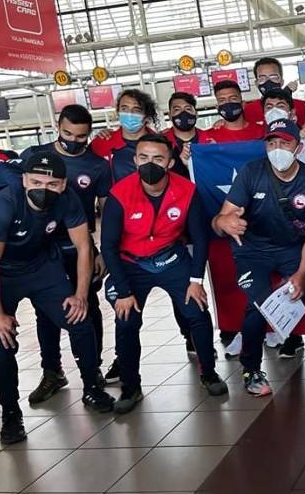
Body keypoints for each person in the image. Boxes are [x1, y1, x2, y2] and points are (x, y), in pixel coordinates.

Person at [0, 153, 115, 444]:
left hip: (40, 267)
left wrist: (80, 295)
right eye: (36, 181)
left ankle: (92, 387)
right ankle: (10, 413)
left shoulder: (68, 199)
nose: (43, 189)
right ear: (24, 180)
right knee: (1, 341)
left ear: (63, 185)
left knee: (79, 318)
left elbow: (83, 247)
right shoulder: (4, 203)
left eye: (52, 184)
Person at [211, 119, 305, 396]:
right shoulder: (251, 172)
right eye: (272, 143)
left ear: (299, 147)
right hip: (252, 251)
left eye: (285, 143)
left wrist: (302, 274)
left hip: (292, 249)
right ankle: (251, 368)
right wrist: (224, 223)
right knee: (259, 305)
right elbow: (220, 219)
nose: (277, 149)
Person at [101, 135, 228, 413]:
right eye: (143, 158)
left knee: (197, 313)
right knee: (126, 322)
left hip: (172, 258)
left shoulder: (187, 190)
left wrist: (196, 280)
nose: (150, 164)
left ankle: (209, 373)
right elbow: (108, 246)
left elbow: (200, 237)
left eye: (157, 159)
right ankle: (131, 387)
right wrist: (123, 291)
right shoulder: (119, 194)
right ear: (135, 161)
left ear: (170, 162)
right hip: (131, 264)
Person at [18, 105, 113, 404]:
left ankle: (92, 369)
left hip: (80, 247)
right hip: (43, 248)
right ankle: (52, 371)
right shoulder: (37, 156)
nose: (73, 140)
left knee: (88, 306)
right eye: (68, 133)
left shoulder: (97, 166)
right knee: (45, 312)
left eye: (81, 136)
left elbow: (105, 210)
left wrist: (102, 250)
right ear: (57, 127)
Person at [90, 89, 158, 182]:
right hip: (117, 196)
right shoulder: (102, 142)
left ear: (147, 117)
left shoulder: (162, 144)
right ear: (118, 112)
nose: (129, 114)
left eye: (136, 110)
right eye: (124, 109)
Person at [243, 57, 305, 127]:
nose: (268, 81)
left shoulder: (302, 106)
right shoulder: (248, 110)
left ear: (282, 81)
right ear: (256, 83)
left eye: (274, 77)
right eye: (262, 78)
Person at [163, 91, 214, 178]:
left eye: (188, 109)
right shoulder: (160, 142)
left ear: (196, 114)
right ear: (170, 116)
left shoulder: (211, 141)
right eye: (177, 109)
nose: (183, 113)